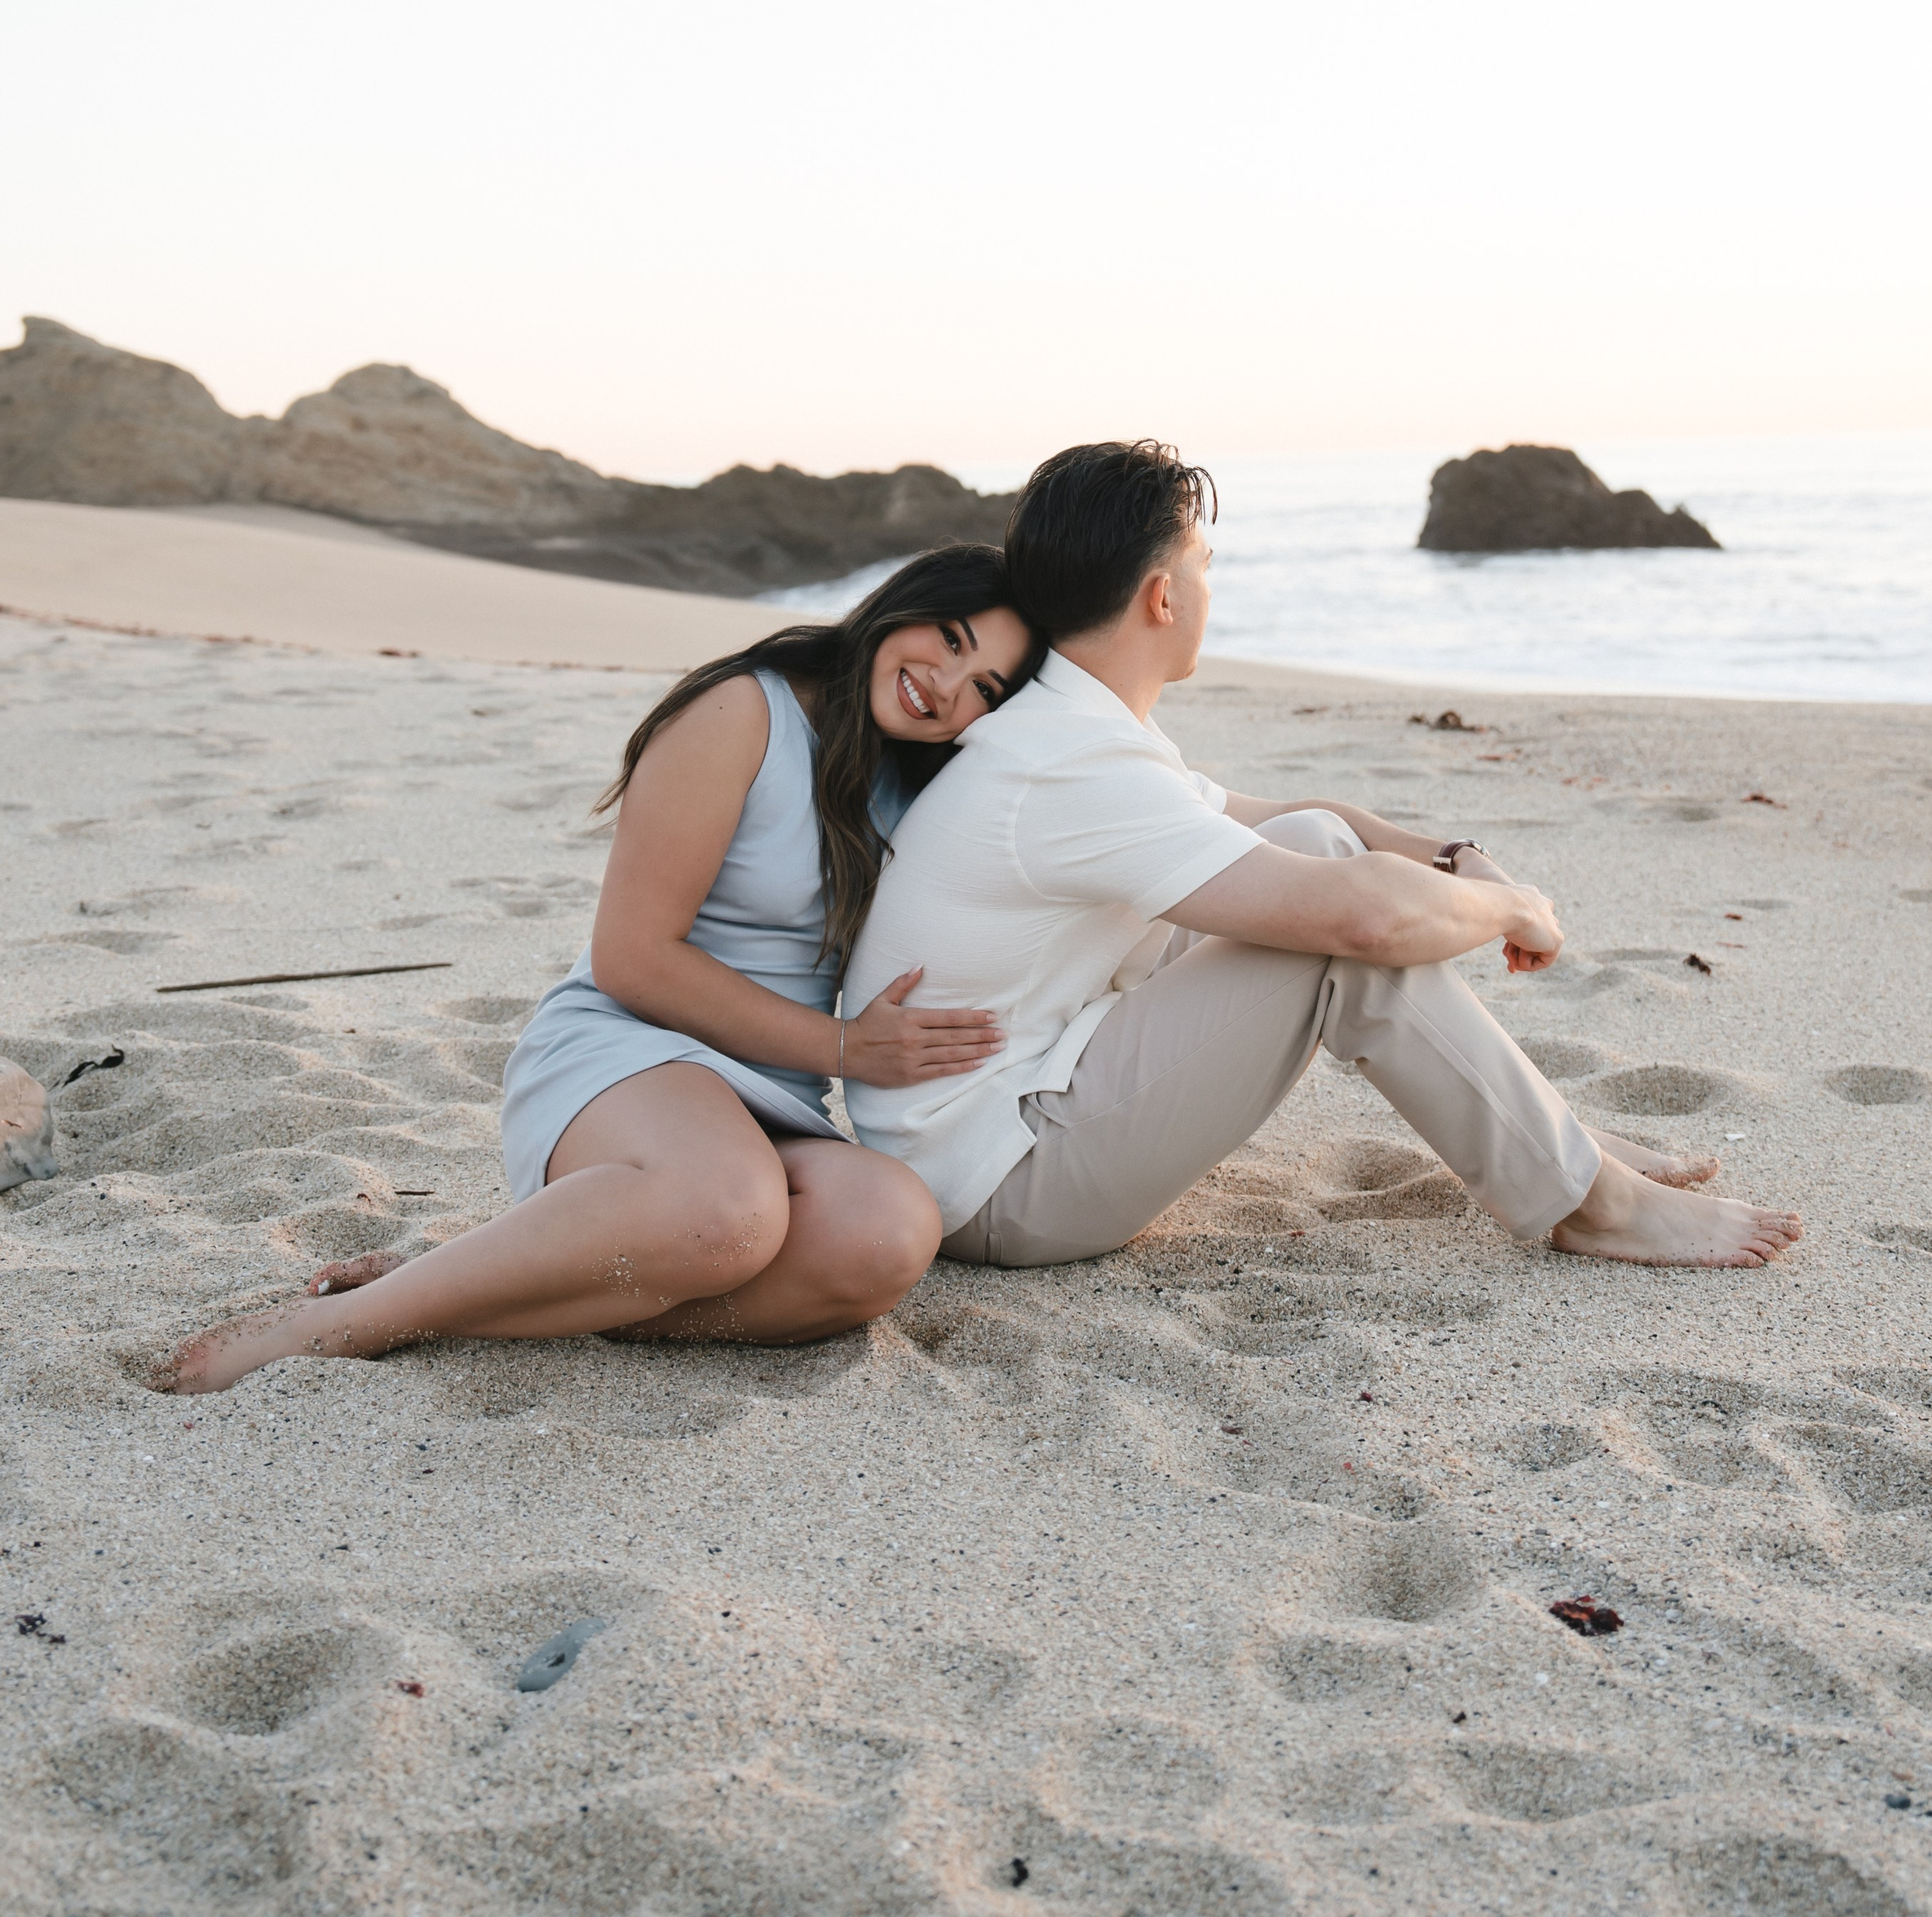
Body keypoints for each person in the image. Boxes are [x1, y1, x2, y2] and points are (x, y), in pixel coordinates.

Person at [843, 444, 1803, 1274]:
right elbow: (1368, 919)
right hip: (998, 1182)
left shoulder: (1069, 723)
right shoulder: (1070, 764)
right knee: (1337, 933)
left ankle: (1559, 1146)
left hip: (1022, 1100)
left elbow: (1294, 818)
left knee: (1315, 852)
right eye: (1205, 566)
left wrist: (1458, 858)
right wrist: (1514, 912)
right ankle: (1599, 1203)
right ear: (1163, 595)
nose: (1210, 591)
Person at [156, 548, 1039, 1394]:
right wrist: (845, 1045)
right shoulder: (745, 710)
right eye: (951, 639)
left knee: (885, 1232)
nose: (947, 686)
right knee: (725, 1212)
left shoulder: (927, 782)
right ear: (903, 603)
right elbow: (633, 957)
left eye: (985, 688)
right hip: (630, 1049)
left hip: (769, 1097)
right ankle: (341, 1324)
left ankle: (489, 1289)